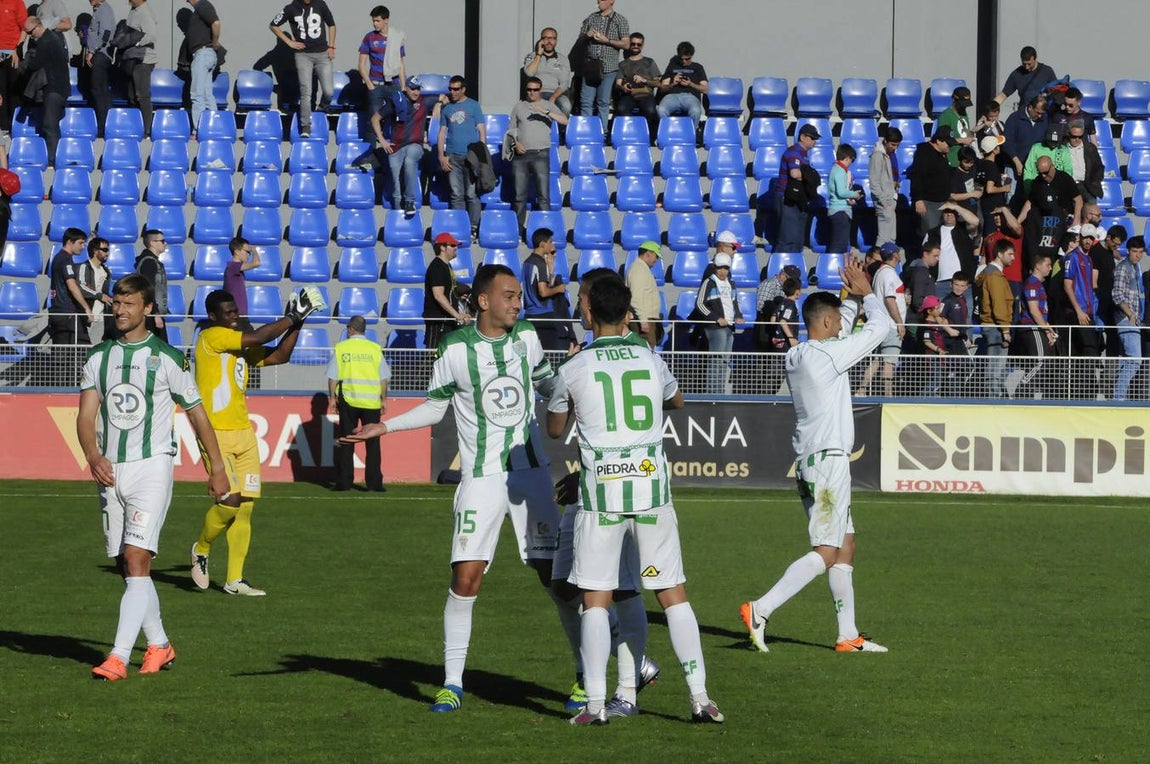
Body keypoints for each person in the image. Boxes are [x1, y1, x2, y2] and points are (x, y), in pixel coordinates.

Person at [340, 264, 576, 715]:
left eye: (517, 296)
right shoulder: (453, 348)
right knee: (465, 578)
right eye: (508, 295)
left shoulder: (527, 338)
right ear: (483, 301)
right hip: (481, 479)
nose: (517, 302)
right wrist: (384, 427)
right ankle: (451, 683)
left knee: (557, 581)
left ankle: (585, 676)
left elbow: (551, 385)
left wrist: (575, 390)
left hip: (530, 477)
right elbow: (434, 408)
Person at [546, 275, 724, 726]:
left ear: (587, 313)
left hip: (601, 494)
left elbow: (554, 428)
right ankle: (701, 699)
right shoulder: (650, 358)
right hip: (650, 488)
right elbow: (677, 401)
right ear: (628, 314)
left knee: (596, 598)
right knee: (671, 593)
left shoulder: (574, 367)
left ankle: (595, 708)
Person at [80, 275, 229, 682]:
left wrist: (216, 467)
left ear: (147, 308)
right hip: (110, 469)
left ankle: (118, 656)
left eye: (129, 304)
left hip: (152, 466)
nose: (120, 310)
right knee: (125, 566)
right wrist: (93, 454)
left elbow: (197, 413)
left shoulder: (168, 358)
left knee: (136, 558)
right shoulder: (99, 357)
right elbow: (85, 417)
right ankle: (160, 645)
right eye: (117, 303)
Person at [740, 259, 892, 654]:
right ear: (825, 325)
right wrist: (869, 295)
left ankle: (848, 635)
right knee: (827, 550)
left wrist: (849, 298)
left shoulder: (802, 352)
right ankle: (761, 608)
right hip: (827, 463)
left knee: (846, 544)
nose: (843, 327)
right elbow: (881, 329)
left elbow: (836, 318)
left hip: (814, 460)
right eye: (838, 323)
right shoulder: (828, 356)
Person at [551, 266, 661, 715]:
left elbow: (557, 427)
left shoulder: (593, 360)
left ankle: (621, 684)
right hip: (598, 483)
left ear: (595, 304)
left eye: (582, 297)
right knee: (565, 586)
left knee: (619, 590)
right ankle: (631, 666)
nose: (579, 304)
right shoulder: (637, 354)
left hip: (611, 490)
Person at [189, 286, 327, 596]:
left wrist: (298, 323)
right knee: (229, 503)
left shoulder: (237, 345)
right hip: (216, 433)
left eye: (235, 309)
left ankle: (234, 580)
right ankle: (201, 547)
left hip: (244, 433)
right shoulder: (211, 337)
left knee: (246, 507)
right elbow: (260, 338)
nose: (234, 314)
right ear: (213, 317)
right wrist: (292, 315)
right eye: (227, 312)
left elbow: (280, 355)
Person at [328, 315, 390, 491]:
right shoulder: (374, 349)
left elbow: (333, 377)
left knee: (347, 441)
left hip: (349, 399)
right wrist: (383, 399)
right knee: (373, 444)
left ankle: (344, 482)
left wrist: (332, 398)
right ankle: (375, 484)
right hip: (371, 402)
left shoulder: (342, 348)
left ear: (350, 329)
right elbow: (383, 378)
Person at [270, 0, 337, 139]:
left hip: (322, 53)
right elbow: (273, 25)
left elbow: (331, 24)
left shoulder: (320, 4)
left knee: (329, 92)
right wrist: (289, 42)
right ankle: (306, 125)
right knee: (306, 91)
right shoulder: (291, 8)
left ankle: (322, 108)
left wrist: (331, 46)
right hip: (303, 55)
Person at [509, 76, 568, 229]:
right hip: (521, 155)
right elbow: (511, 130)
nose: (531, 93)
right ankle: (518, 229)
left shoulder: (547, 105)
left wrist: (546, 112)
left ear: (540, 90)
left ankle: (545, 228)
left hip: (541, 153)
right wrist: (515, 144)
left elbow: (565, 121)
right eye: (529, 89)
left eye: (535, 90)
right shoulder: (519, 106)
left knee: (543, 195)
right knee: (519, 195)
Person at [368, 74, 427, 216]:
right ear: (405, 88)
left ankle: (409, 201)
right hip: (396, 145)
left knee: (410, 161)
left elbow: (445, 97)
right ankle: (397, 210)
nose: (416, 92)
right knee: (394, 179)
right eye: (412, 89)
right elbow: (375, 119)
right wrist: (381, 140)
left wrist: (439, 103)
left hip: (415, 144)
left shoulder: (424, 101)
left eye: (418, 89)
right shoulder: (396, 101)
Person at [436, 75, 485, 236]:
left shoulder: (473, 105)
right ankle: (460, 227)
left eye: (456, 89)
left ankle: (473, 227)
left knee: (471, 194)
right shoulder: (447, 108)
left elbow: (481, 130)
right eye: (450, 89)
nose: (452, 92)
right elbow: (442, 132)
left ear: (463, 89)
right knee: (456, 194)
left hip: (470, 157)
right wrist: (441, 156)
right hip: (452, 156)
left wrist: (481, 153)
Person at [854, 242, 904, 397]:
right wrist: (899, 323)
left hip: (882, 323)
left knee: (877, 361)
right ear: (895, 255)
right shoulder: (889, 274)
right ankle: (888, 396)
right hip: (890, 325)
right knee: (889, 362)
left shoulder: (880, 273)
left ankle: (861, 390)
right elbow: (890, 300)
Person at [692, 253, 744, 394]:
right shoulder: (709, 282)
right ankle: (712, 393)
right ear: (715, 267)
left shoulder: (731, 284)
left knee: (724, 361)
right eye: (720, 268)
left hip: (729, 327)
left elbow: (734, 302)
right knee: (715, 361)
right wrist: (716, 318)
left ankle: (719, 391)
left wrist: (738, 315)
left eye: (725, 268)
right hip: (715, 327)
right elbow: (700, 304)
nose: (722, 271)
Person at [23, 16, 69, 167]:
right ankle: (56, 156)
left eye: (30, 32)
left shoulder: (45, 42)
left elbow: (35, 65)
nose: (30, 36)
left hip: (54, 88)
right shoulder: (53, 38)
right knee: (52, 125)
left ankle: (52, 159)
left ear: (37, 27)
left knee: (49, 125)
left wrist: (29, 56)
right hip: (59, 87)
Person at [577, 0, 629, 128]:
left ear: (612, 1)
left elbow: (626, 44)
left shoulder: (620, 20)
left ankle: (601, 133)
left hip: (609, 68)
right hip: (591, 66)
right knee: (586, 102)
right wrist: (587, 35)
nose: (599, 1)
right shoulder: (591, 18)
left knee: (603, 102)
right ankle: (586, 131)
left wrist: (608, 41)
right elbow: (580, 42)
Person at [522, 227, 575, 351]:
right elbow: (543, 291)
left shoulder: (527, 262)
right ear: (542, 244)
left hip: (529, 314)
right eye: (550, 242)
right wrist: (559, 289)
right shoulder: (539, 263)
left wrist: (550, 269)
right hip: (543, 315)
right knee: (551, 352)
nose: (552, 245)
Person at [1013, 253, 1058, 399]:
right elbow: (1033, 310)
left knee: (1043, 361)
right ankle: (1021, 391)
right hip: (1031, 327)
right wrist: (1045, 328)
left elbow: (1042, 310)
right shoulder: (1032, 283)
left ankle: (1027, 394)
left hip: (1038, 326)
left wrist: (1047, 328)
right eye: (1048, 265)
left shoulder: (1039, 284)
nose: (1050, 268)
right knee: (1041, 359)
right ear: (1037, 266)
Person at [976, 239, 1016, 398]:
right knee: (996, 368)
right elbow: (999, 304)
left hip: (993, 325)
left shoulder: (987, 273)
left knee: (995, 368)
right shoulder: (994, 276)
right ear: (1000, 254)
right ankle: (994, 400)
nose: (1013, 257)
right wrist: (1005, 329)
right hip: (996, 327)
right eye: (1010, 254)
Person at [772, 123, 820, 253]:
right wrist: (810, 176)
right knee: (787, 237)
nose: (814, 141)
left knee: (797, 238)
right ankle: (780, 267)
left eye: (815, 139)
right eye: (812, 138)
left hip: (797, 198)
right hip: (787, 198)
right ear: (803, 137)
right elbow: (795, 174)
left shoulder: (803, 153)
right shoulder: (794, 151)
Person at [1111, 236, 1146, 401]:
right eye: (1134, 251)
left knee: (1127, 361)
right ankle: (1119, 398)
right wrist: (1131, 314)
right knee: (1135, 360)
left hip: (1131, 319)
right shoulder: (1124, 267)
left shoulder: (1134, 268)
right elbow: (1117, 295)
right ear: (1128, 251)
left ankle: (1119, 397)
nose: (1137, 255)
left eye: (1140, 252)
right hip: (1125, 318)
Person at [422, 232, 470, 349]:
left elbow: (449, 291)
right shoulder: (437, 267)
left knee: (446, 353)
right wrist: (456, 315)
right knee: (434, 353)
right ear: (442, 247)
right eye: (452, 246)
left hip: (447, 319)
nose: (456, 248)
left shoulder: (446, 266)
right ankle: (427, 368)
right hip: (439, 320)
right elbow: (438, 295)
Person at [48, 227, 93, 348]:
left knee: (64, 351)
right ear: (69, 241)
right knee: (82, 348)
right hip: (66, 312)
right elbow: (72, 286)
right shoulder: (65, 259)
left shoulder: (60, 258)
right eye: (80, 243)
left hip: (60, 311)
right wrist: (86, 308)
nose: (83, 246)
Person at [909, 125, 957, 236]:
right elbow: (917, 176)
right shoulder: (924, 153)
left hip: (942, 201)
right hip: (928, 202)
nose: (950, 147)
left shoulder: (942, 154)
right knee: (930, 234)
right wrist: (918, 200)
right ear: (939, 141)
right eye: (948, 144)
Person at [183, 0, 221, 136]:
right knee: (207, 94)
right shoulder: (200, 9)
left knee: (197, 94)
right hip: (206, 54)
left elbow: (216, 23)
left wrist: (215, 42)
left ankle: (198, 130)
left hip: (203, 54)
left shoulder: (202, 5)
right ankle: (214, 128)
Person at [612, 32, 659, 140]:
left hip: (645, 94)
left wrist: (645, 80)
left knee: (651, 111)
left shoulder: (649, 62)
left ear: (642, 45)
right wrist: (623, 87)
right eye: (633, 44)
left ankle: (650, 138)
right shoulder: (622, 64)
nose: (636, 46)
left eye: (638, 44)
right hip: (628, 94)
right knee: (621, 109)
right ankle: (628, 136)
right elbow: (617, 84)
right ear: (630, 44)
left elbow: (658, 83)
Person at [656, 41, 708, 132]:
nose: (684, 61)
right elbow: (662, 88)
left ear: (691, 56)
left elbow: (706, 89)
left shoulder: (698, 67)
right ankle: (668, 132)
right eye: (681, 59)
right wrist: (673, 83)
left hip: (690, 96)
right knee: (661, 110)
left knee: (696, 111)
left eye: (687, 59)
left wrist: (690, 84)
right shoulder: (672, 66)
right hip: (672, 96)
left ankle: (690, 134)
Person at [124, 0, 158, 138]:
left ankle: (146, 130)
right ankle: (135, 126)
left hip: (144, 59)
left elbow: (151, 35)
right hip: (133, 58)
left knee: (142, 95)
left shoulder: (144, 12)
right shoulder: (133, 10)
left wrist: (134, 42)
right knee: (132, 95)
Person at [82, 0, 115, 138]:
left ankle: (104, 127)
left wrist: (93, 51)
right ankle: (104, 125)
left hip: (101, 54)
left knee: (99, 90)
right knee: (98, 90)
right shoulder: (98, 10)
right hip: (97, 54)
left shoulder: (105, 10)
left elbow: (105, 34)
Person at [522, 27, 571, 115]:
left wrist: (553, 97)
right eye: (546, 38)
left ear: (556, 41)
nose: (549, 41)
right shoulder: (532, 56)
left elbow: (564, 83)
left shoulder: (563, 59)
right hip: (537, 92)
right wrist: (538, 55)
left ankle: (560, 129)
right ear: (541, 40)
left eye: (552, 38)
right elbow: (529, 73)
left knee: (566, 106)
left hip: (556, 94)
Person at [995, 46, 1057, 111]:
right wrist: (990, 110)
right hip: (1024, 114)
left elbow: (1056, 92)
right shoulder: (1016, 74)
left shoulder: (1047, 71)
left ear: (1035, 59)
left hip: (1042, 113)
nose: (1026, 67)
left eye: (1029, 64)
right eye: (1024, 64)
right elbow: (1003, 95)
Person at [868, 126, 902, 248]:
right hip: (884, 201)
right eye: (893, 144)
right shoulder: (878, 156)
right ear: (885, 141)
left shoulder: (888, 155)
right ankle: (878, 263)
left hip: (890, 199)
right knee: (883, 238)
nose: (895, 148)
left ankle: (888, 264)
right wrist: (883, 201)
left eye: (897, 145)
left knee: (891, 238)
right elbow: (874, 183)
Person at [77, 237, 114, 344]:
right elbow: (81, 287)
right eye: (105, 250)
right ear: (94, 251)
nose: (107, 253)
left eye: (108, 250)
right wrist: (100, 296)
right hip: (86, 317)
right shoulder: (85, 267)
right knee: (83, 349)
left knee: (96, 348)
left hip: (101, 317)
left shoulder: (106, 271)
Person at [625, 240, 662, 348]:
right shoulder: (639, 270)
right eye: (656, 256)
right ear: (648, 254)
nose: (656, 260)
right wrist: (643, 320)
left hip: (643, 317)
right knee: (645, 348)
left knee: (647, 348)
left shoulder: (641, 269)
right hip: (643, 319)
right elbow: (636, 298)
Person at [1002, 93, 1047, 179]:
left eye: (1042, 113)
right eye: (1038, 112)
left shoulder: (1044, 120)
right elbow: (1007, 142)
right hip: (1014, 165)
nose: (1040, 116)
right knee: (1012, 191)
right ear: (1030, 107)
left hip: (1034, 168)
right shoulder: (1015, 118)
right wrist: (1016, 161)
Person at [827, 143, 862, 254]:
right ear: (847, 158)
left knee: (839, 243)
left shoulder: (835, 169)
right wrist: (854, 194)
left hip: (838, 210)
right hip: (840, 211)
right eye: (852, 160)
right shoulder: (840, 171)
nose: (852, 163)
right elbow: (841, 192)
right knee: (839, 244)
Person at [135, 230, 169, 343]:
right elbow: (148, 288)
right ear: (152, 243)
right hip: (151, 315)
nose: (165, 243)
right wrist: (155, 314)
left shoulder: (152, 261)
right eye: (162, 241)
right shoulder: (149, 263)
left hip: (153, 312)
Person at [0, 0, 26, 136]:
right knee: (1, 91)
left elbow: (24, 28)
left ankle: (15, 126)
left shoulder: (17, 3)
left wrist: (17, 49)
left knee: (14, 90)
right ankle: (3, 126)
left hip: (12, 53)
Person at [223, 236, 259, 330]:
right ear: (237, 251)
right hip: (236, 317)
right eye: (247, 252)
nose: (249, 255)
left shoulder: (235, 268)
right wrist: (254, 250)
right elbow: (256, 263)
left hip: (241, 317)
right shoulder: (233, 266)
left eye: (250, 253)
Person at [1063, 121, 1103, 204]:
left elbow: (1099, 168)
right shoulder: (1061, 148)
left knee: (1091, 210)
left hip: (1086, 186)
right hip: (1068, 186)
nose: (1077, 139)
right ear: (1068, 134)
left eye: (1080, 137)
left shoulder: (1090, 148)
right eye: (1074, 136)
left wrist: (1094, 182)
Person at [935, 85, 975, 166]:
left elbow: (964, 132)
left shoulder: (963, 113)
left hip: (964, 160)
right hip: (952, 160)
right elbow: (942, 140)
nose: (964, 106)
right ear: (954, 99)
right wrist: (962, 140)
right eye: (962, 104)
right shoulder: (946, 115)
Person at [917, 295, 948, 395]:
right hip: (932, 356)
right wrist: (938, 349)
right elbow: (927, 341)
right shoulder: (927, 325)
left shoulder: (937, 322)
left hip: (939, 356)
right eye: (937, 308)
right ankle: (924, 398)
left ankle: (932, 396)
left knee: (939, 378)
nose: (939, 310)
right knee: (935, 378)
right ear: (929, 311)